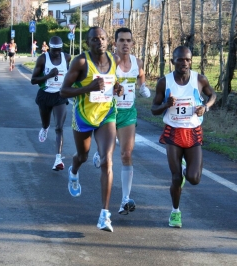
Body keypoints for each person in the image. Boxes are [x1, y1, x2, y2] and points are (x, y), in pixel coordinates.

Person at [60, 26, 123, 232]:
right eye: (95, 39)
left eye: (103, 38)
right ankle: (74, 170)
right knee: (83, 155)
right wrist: (88, 88)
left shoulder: (114, 59)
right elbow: (63, 91)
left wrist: (118, 88)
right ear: (88, 43)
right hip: (84, 116)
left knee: (107, 160)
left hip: (106, 114)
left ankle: (105, 215)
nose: (100, 42)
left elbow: (114, 81)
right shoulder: (80, 62)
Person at [151, 46, 217, 228]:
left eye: (187, 60)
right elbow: (153, 110)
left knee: (194, 178)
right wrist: (166, 104)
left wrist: (206, 106)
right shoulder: (165, 82)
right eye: (180, 60)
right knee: (175, 177)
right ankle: (175, 212)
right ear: (173, 61)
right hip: (173, 132)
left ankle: (187, 167)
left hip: (193, 132)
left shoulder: (199, 79)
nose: (184, 63)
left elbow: (212, 95)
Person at [92, 27, 151, 215]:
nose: (125, 44)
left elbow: (140, 75)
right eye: (122, 41)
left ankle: (125, 199)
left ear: (133, 43)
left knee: (126, 154)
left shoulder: (138, 62)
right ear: (115, 43)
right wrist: (114, 88)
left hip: (128, 113)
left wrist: (142, 87)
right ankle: (99, 151)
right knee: (106, 157)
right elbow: (98, 86)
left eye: (129, 41)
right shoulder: (108, 62)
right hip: (108, 111)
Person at [31, 36, 71, 171]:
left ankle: (58, 159)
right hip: (45, 95)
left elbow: (70, 75)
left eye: (59, 50)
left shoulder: (66, 57)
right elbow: (33, 80)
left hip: (60, 96)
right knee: (46, 122)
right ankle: (44, 128)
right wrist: (48, 76)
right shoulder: (43, 59)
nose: (56, 53)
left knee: (59, 127)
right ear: (49, 48)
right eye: (54, 50)